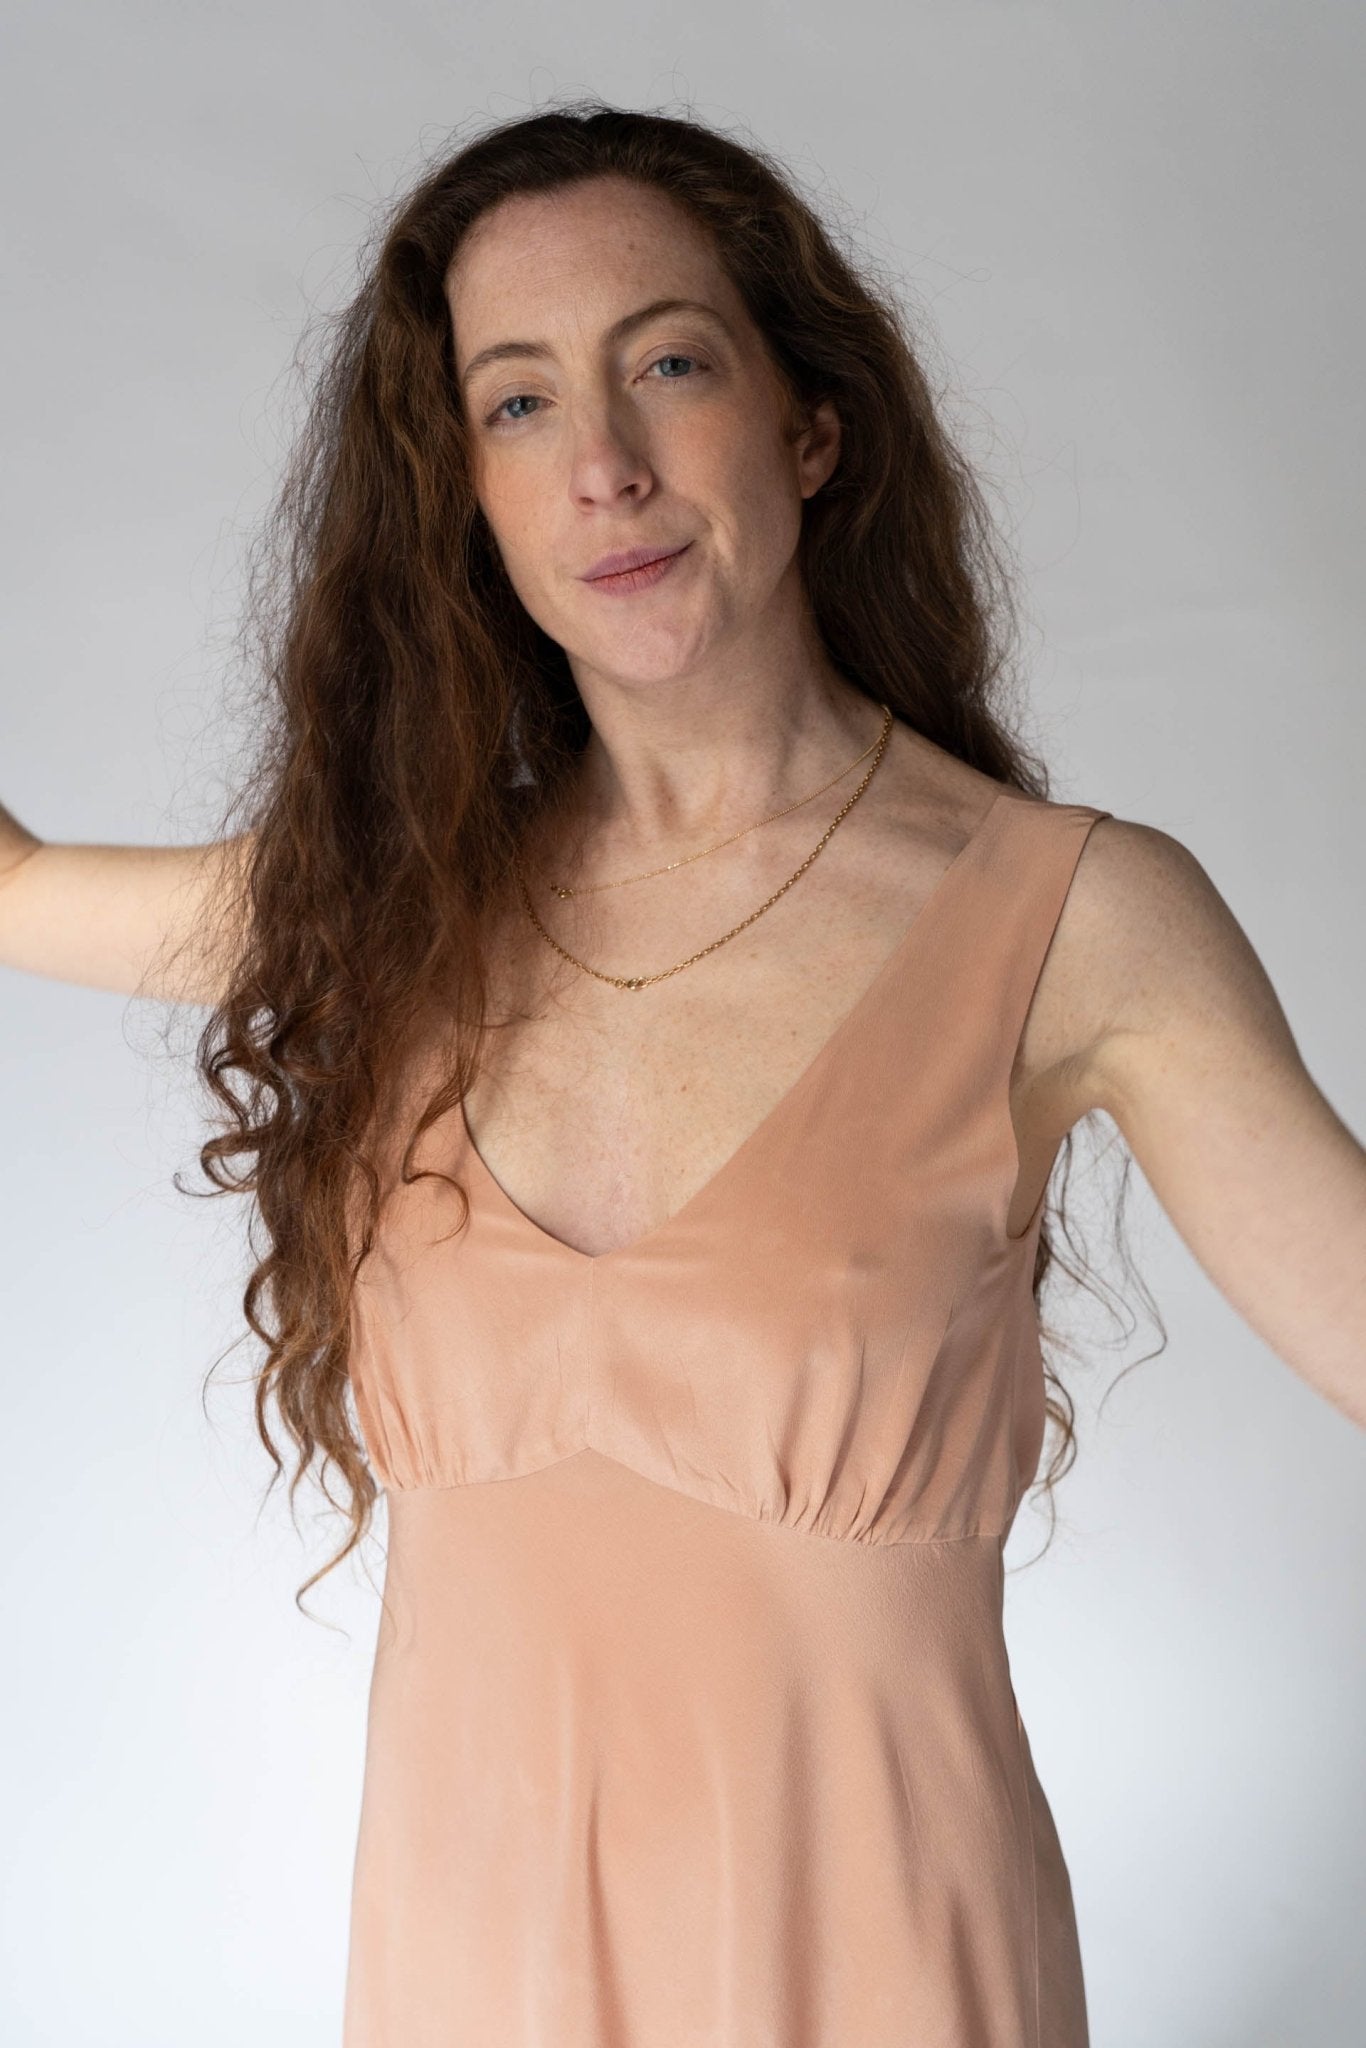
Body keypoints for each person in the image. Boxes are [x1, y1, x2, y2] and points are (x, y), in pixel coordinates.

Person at [2, 101, 1362, 2048]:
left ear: (808, 427)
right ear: (462, 499)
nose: (606, 466)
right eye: (518, 403)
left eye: (668, 363)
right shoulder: (390, 913)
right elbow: (17, 890)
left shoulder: (1071, 921)